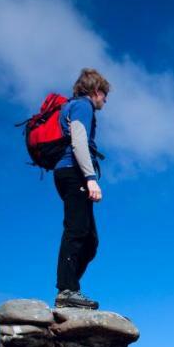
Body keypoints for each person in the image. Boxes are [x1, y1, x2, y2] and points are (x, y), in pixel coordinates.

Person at [53, 68, 111, 309]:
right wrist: (89, 177)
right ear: (96, 92)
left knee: (90, 241)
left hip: (69, 172)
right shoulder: (82, 106)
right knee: (76, 231)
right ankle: (67, 291)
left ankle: (70, 289)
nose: (105, 101)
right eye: (104, 96)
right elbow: (78, 140)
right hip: (73, 172)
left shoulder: (71, 106)